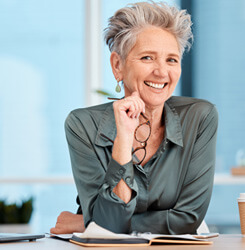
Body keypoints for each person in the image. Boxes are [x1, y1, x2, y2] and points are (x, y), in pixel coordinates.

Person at [50, 1, 218, 235]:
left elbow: (188, 218)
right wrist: (124, 139)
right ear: (117, 65)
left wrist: (87, 223)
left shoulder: (200, 117)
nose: (161, 72)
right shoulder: (82, 125)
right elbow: (110, 224)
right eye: (147, 57)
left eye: (171, 59)